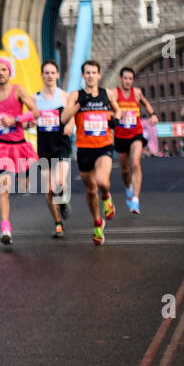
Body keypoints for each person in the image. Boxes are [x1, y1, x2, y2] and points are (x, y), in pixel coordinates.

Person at [60, 60, 120, 245]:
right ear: (82, 76)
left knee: (102, 181)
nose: (91, 75)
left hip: (104, 146)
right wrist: (79, 105)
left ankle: (107, 197)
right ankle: (97, 222)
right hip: (84, 148)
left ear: (99, 75)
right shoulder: (75, 95)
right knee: (91, 189)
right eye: (87, 73)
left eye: (94, 72)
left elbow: (117, 110)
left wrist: (114, 121)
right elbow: (63, 118)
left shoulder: (106, 94)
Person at [0, 57, 38, 245]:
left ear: (9, 72)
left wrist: (16, 119)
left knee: (24, 186)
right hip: (2, 148)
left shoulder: (18, 90)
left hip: (20, 146)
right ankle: (5, 227)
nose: (0, 73)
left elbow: (35, 112)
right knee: (3, 189)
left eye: (4, 70)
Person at [34, 60, 74, 237]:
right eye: (46, 73)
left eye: (52, 73)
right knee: (48, 189)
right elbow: (29, 117)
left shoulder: (64, 96)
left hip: (61, 145)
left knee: (59, 182)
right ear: (42, 75)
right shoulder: (35, 98)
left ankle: (64, 201)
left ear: (58, 75)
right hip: (44, 147)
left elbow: (74, 115)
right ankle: (58, 223)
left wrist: (70, 125)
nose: (49, 76)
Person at [113, 67, 156, 212]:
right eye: (125, 78)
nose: (128, 81)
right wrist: (117, 112)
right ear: (121, 79)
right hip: (120, 135)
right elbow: (107, 109)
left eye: (130, 79)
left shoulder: (137, 92)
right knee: (125, 171)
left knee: (136, 163)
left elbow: (145, 103)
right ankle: (128, 189)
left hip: (136, 133)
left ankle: (136, 200)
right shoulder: (114, 93)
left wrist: (153, 114)